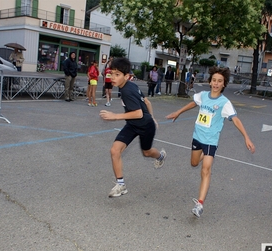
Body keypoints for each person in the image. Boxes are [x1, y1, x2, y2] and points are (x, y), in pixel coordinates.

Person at [166, 66, 255, 218]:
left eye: (219, 81)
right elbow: (193, 103)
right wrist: (178, 112)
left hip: (211, 141)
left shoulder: (224, 102)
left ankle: (199, 204)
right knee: (194, 163)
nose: (216, 83)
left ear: (224, 84)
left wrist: (246, 137)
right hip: (197, 137)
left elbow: (235, 119)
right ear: (210, 81)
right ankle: (202, 156)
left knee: (205, 170)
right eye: (214, 80)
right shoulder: (203, 95)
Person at [99, 57, 167, 198]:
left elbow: (138, 113)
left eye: (117, 74)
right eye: (111, 73)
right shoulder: (128, 86)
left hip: (145, 126)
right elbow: (146, 101)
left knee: (147, 152)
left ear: (126, 76)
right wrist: (152, 116)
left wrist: (115, 116)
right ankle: (121, 184)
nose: (113, 77)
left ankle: (160, 156)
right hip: (132, 125)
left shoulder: (127, 90)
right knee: (115, 150)